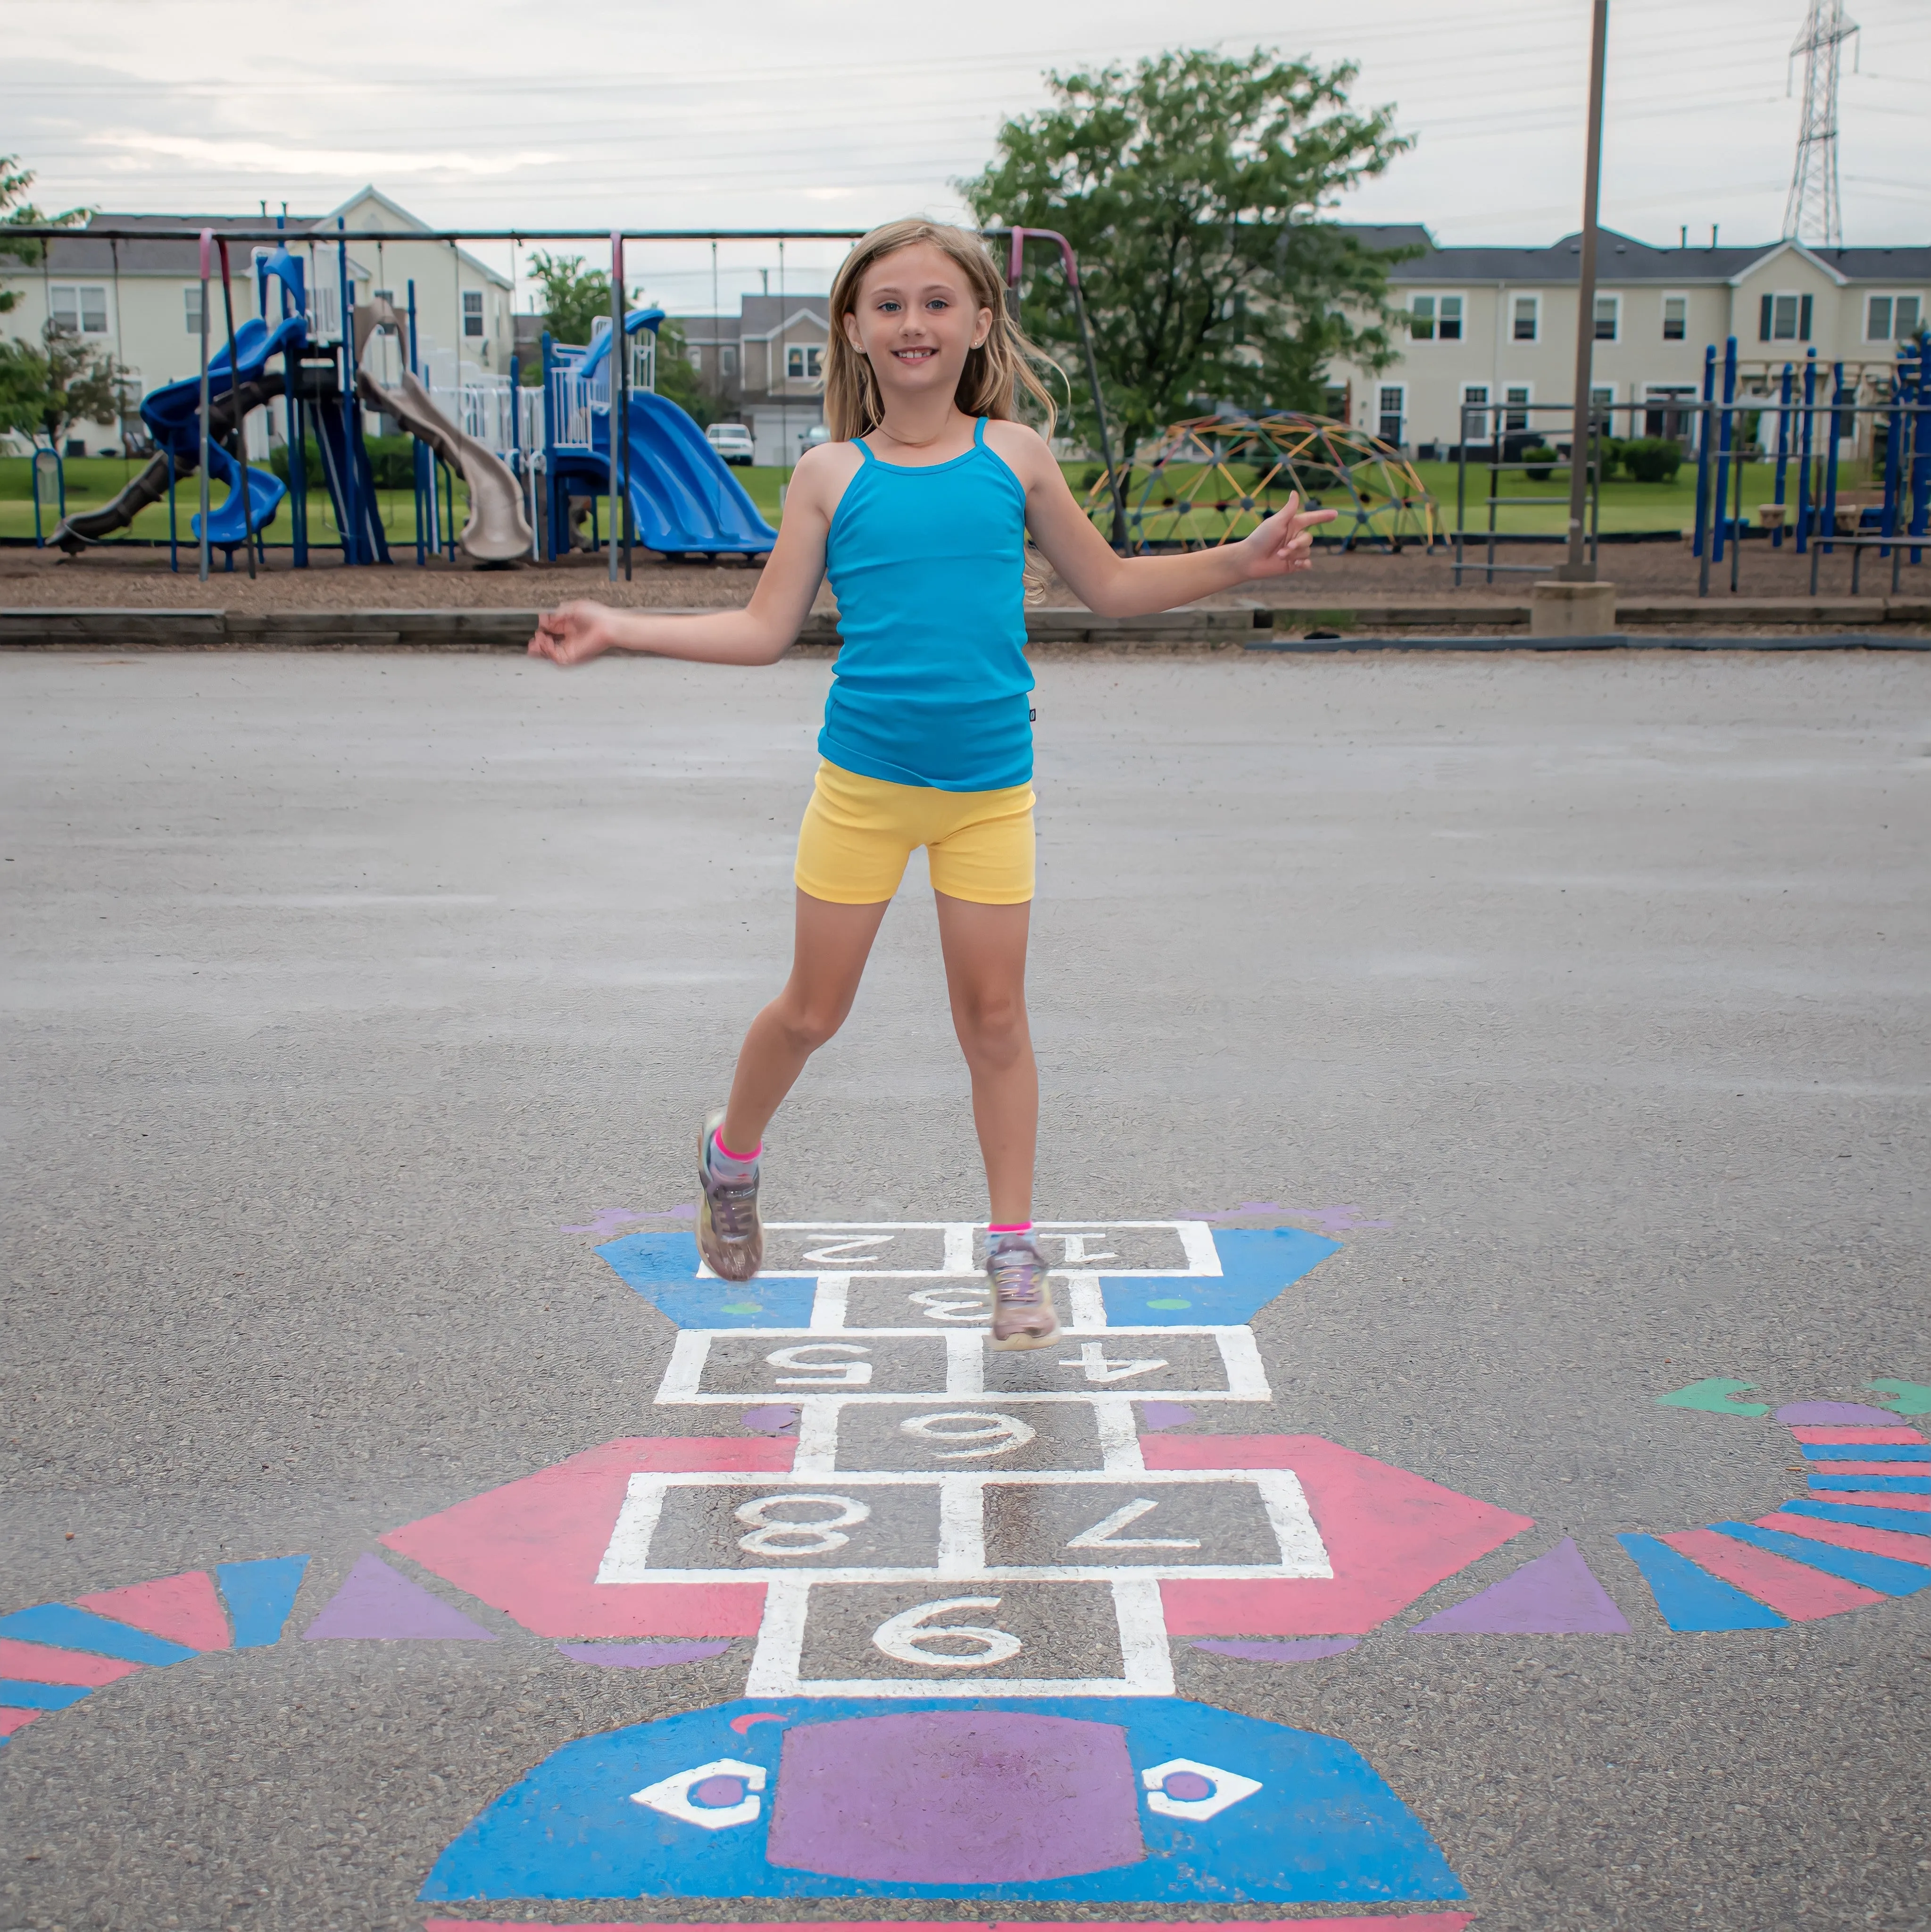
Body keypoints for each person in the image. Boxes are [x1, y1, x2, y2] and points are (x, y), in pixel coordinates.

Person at [528, 217, 1334, 1349]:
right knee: (813, 1010)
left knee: (995, 1017)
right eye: (890, 304)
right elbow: (765, 631)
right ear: (853, 331)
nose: (915, 322)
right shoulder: (827, 474)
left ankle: (1013, 1248)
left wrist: (1240, 561)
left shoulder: (1016, 457)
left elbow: (1106, 585)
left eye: (938, 302)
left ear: (980, 324)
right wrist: (619, 625)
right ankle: (732, 1155)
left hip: (989, 790)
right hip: (863, 789)